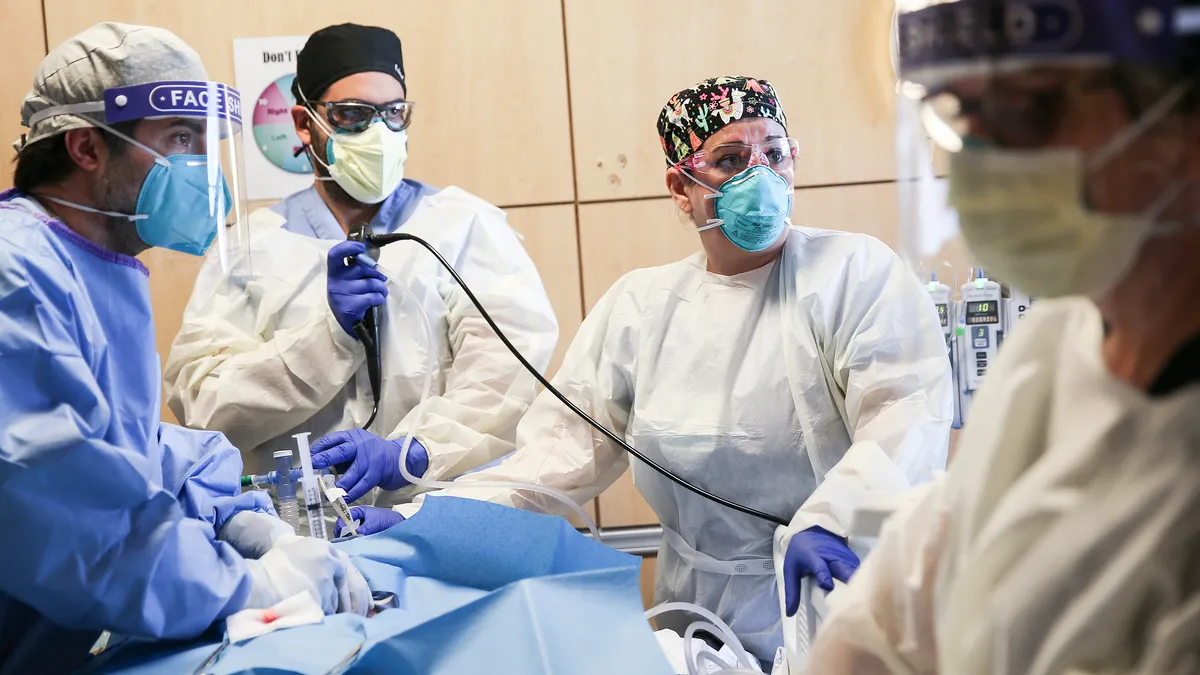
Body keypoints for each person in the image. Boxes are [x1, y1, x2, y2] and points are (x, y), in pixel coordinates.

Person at [325, 76, 954, 663]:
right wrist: (423, 522)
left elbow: (904, 417)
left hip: (836, 588)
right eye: (732, 160)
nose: (760, 176)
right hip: (697, 617)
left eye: (775, 154)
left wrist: (837, 521)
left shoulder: (854, 275)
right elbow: (551, 464)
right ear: (682, 188)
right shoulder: (640, 308)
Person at [806, 2, 1200, 673]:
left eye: (1025, 109)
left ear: (1179, 121)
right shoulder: (1053, 345)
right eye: (962, 112)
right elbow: (897, 612)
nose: (981, 162)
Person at [0, 23, 369, 675]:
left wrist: (234, 511)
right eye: (178, 139)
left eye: (205, 142)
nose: (200, 164)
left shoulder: (90, 265)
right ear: (87, 146)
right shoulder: (16, 277)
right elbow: (69, 516)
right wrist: (244, 584)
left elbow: (134, 446)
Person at [164, 23, 558, 504]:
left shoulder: (464, 229)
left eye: (394, 113)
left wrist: (412, 454)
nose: (378, 133)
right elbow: (205, 408)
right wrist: (325, 339)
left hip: (434, 528)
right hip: (294, 544)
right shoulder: (251, 248)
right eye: (351, 114)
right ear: (304, 123)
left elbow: (503, 387)